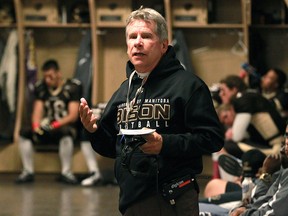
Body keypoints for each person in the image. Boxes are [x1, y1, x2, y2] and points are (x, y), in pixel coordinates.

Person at [79, 7, 224, 216]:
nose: (137, 42)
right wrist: (93, 130)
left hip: (174, 199)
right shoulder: (124, 91)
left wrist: (165, 144)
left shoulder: (188, 86)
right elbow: (114, 148)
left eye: (146, 36)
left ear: (164, 45)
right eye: (132, 37)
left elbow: (212, 139)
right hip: (131, 199)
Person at [16, 59, 81, 184]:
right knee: (24, 132)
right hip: (48, 126)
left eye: (50, 76)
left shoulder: (72, 87)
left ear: (58, 74)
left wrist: (55, 124)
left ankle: (66, 172)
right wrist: (36, 126)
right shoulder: (41, 88)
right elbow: (37, 110)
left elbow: (73, 115)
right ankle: (27, 171)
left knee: (66, 132)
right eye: (45, 76)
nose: (47, 80)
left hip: (63, 126)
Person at [218, 75, 286, 159]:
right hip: (277, 142)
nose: (221, 94)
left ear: (234, 89)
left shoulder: (243, 99)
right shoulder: (249, 95)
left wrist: (232, 132)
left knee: (228, 145)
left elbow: (237, 136)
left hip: (277, 148)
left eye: (223, 90)